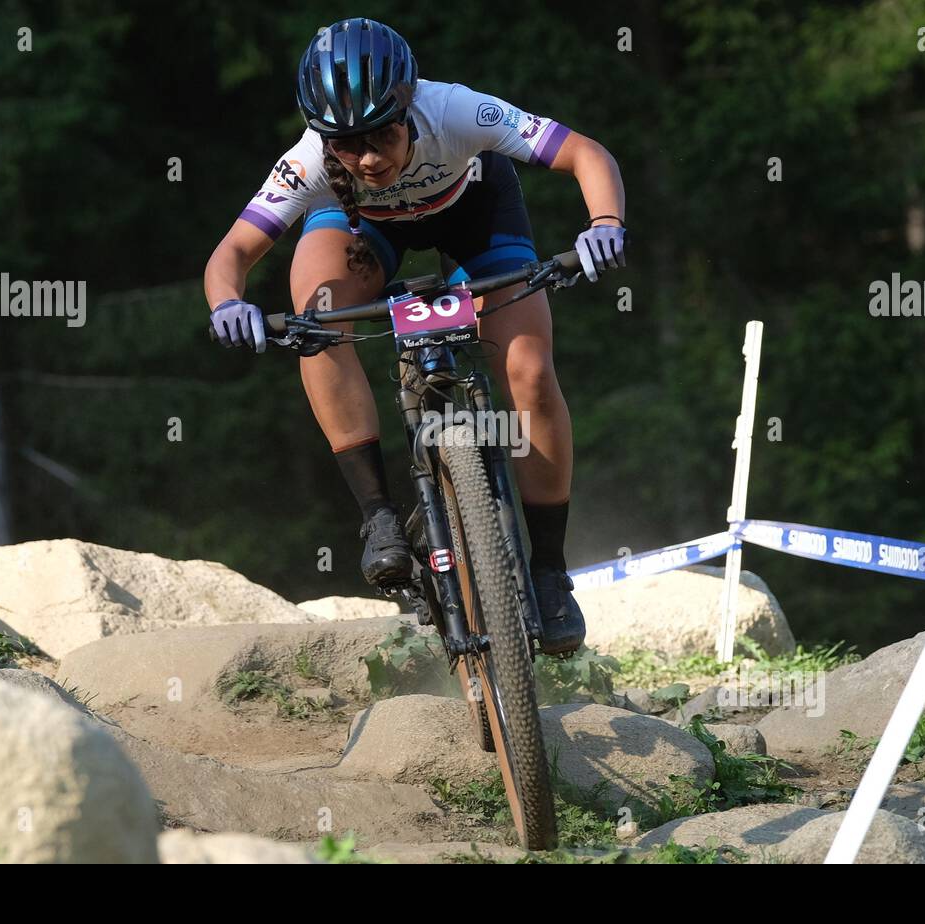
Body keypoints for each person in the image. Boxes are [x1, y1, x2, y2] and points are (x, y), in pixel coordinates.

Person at [203, 17, 626, 656]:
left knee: (531, 372)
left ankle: (548, 570)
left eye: (382, 132)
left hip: (474, 216)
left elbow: (586, 153)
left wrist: (604, 222)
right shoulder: (312, 160)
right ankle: (378, 516)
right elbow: (232, 251)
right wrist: (227, 303)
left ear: (409, 103)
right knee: (315, 318)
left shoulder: (455, 109)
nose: (368, 157)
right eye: (347, 143)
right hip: (363, 230)